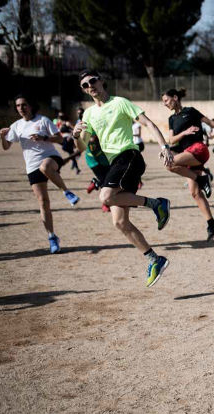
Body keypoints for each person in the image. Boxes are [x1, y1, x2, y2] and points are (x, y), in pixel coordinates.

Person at [72, 69, 173, 287]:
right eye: (85, 85)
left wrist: (165, 146)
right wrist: (76, 135)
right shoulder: (88, 114)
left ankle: (157, 204)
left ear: (102, 81)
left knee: (105, 197)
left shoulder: (120, 102)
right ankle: (155, 259)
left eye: (93, 81)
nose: (90, 86)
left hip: (129, 156)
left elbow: (148, 124)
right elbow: (81, 147)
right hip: (114, 164)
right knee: (119, 221)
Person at [0, 94, 81, 253]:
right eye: (18, 106)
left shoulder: (43, 120)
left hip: (51, 158)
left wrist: (43, 137)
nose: (21, 108)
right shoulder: (17, 125)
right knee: (43, 203)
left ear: (31, 105)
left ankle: (67, 192)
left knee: (45, 167)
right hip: (31, 166)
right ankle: (52, 237)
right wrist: (2, 137)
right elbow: (6, 147)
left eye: (24, 104)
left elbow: (60, 139)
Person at [161, 88, 214, 240]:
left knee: (169, 164)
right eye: (163, 102)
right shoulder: (171, 119)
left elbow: (211, 123)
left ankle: (202, 179)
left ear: (175, 97)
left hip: (199, 149)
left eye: (166, 100)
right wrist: (184, 133)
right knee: (195, 193)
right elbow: (171, 140)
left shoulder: (191, 111)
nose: (165, 104)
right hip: (188, 156)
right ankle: (212, 223)